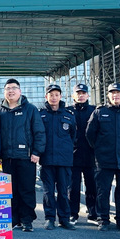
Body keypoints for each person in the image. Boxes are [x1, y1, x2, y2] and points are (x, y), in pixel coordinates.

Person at [86, 83, 120, 232]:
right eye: (112, 93)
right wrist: (100, 149)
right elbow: (90, 134)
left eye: (118, 92)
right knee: (103, 191)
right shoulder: (99, 112)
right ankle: (103, 220)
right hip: (104, 159)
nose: (115, 95)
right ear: (108, 95)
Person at [0, 78, 45, 232]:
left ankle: (27, 219)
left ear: (20, 91)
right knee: (9, 190)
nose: (11, 91)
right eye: (8, 88)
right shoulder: (0, 111)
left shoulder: (30, 109)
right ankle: (13, 218)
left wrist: (37, 152)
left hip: (26, 156)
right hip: (7, 157)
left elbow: (39, 132)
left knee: (26, 189)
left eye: (14, 88)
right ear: (4, 92)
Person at [39, 84, 76, 231]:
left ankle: (64, 219)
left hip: (64, 160)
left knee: (63, 191)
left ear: (60, 97)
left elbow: (73, 136)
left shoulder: (69, 115)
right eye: (51, 95)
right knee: (48, 191)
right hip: (47, 159)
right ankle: (49, 218)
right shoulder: (41, 115)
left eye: (56, 95)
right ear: (46, 97)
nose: (54, 97)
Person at [67, 83, 98, 224]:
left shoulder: (94, 111)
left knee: (92, 186)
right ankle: (73, 214)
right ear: (73, 95)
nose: (81, 96)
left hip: (91, 154)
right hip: (73, 155)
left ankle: (93, 213)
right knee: (73, 187)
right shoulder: (67, 111)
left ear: (87, 95)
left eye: (83, 93)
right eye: (78, 93)